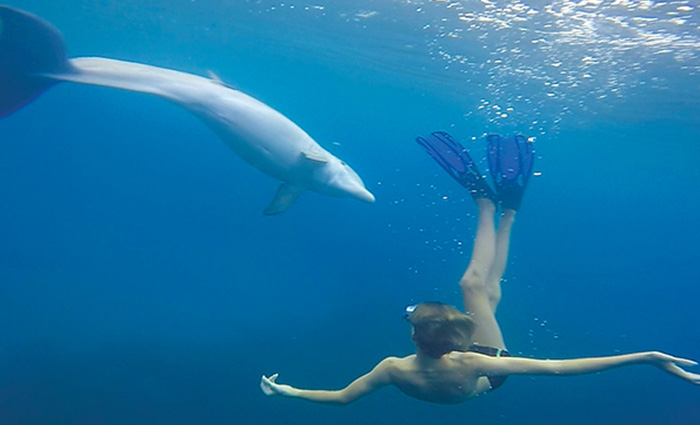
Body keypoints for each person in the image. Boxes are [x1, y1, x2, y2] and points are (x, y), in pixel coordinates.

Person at [260, 132, 699, 405]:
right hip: (490, 371)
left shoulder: (392, 368)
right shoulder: (470, 360)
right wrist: (645, 357)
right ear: (448, 337)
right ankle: (494, 207)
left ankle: (501, 209)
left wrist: (287, 391)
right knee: (477, 285)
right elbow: (557, 368)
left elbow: (340, 399)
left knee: (481, 288)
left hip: (474, 374)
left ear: (416, 338)